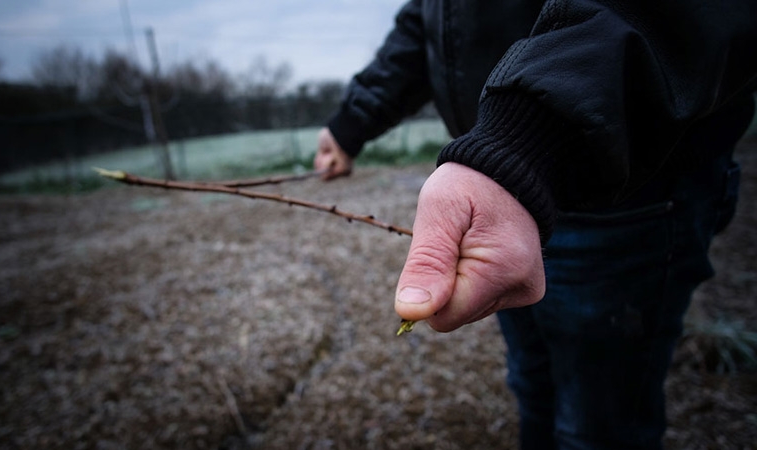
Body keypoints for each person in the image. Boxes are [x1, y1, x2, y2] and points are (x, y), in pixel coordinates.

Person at [313, 1, 757, 449]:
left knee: (597, 425)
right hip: (499, 197)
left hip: (625, 192)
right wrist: (352, 122)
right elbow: (435, 18)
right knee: (532, 384)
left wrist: (525, 138)